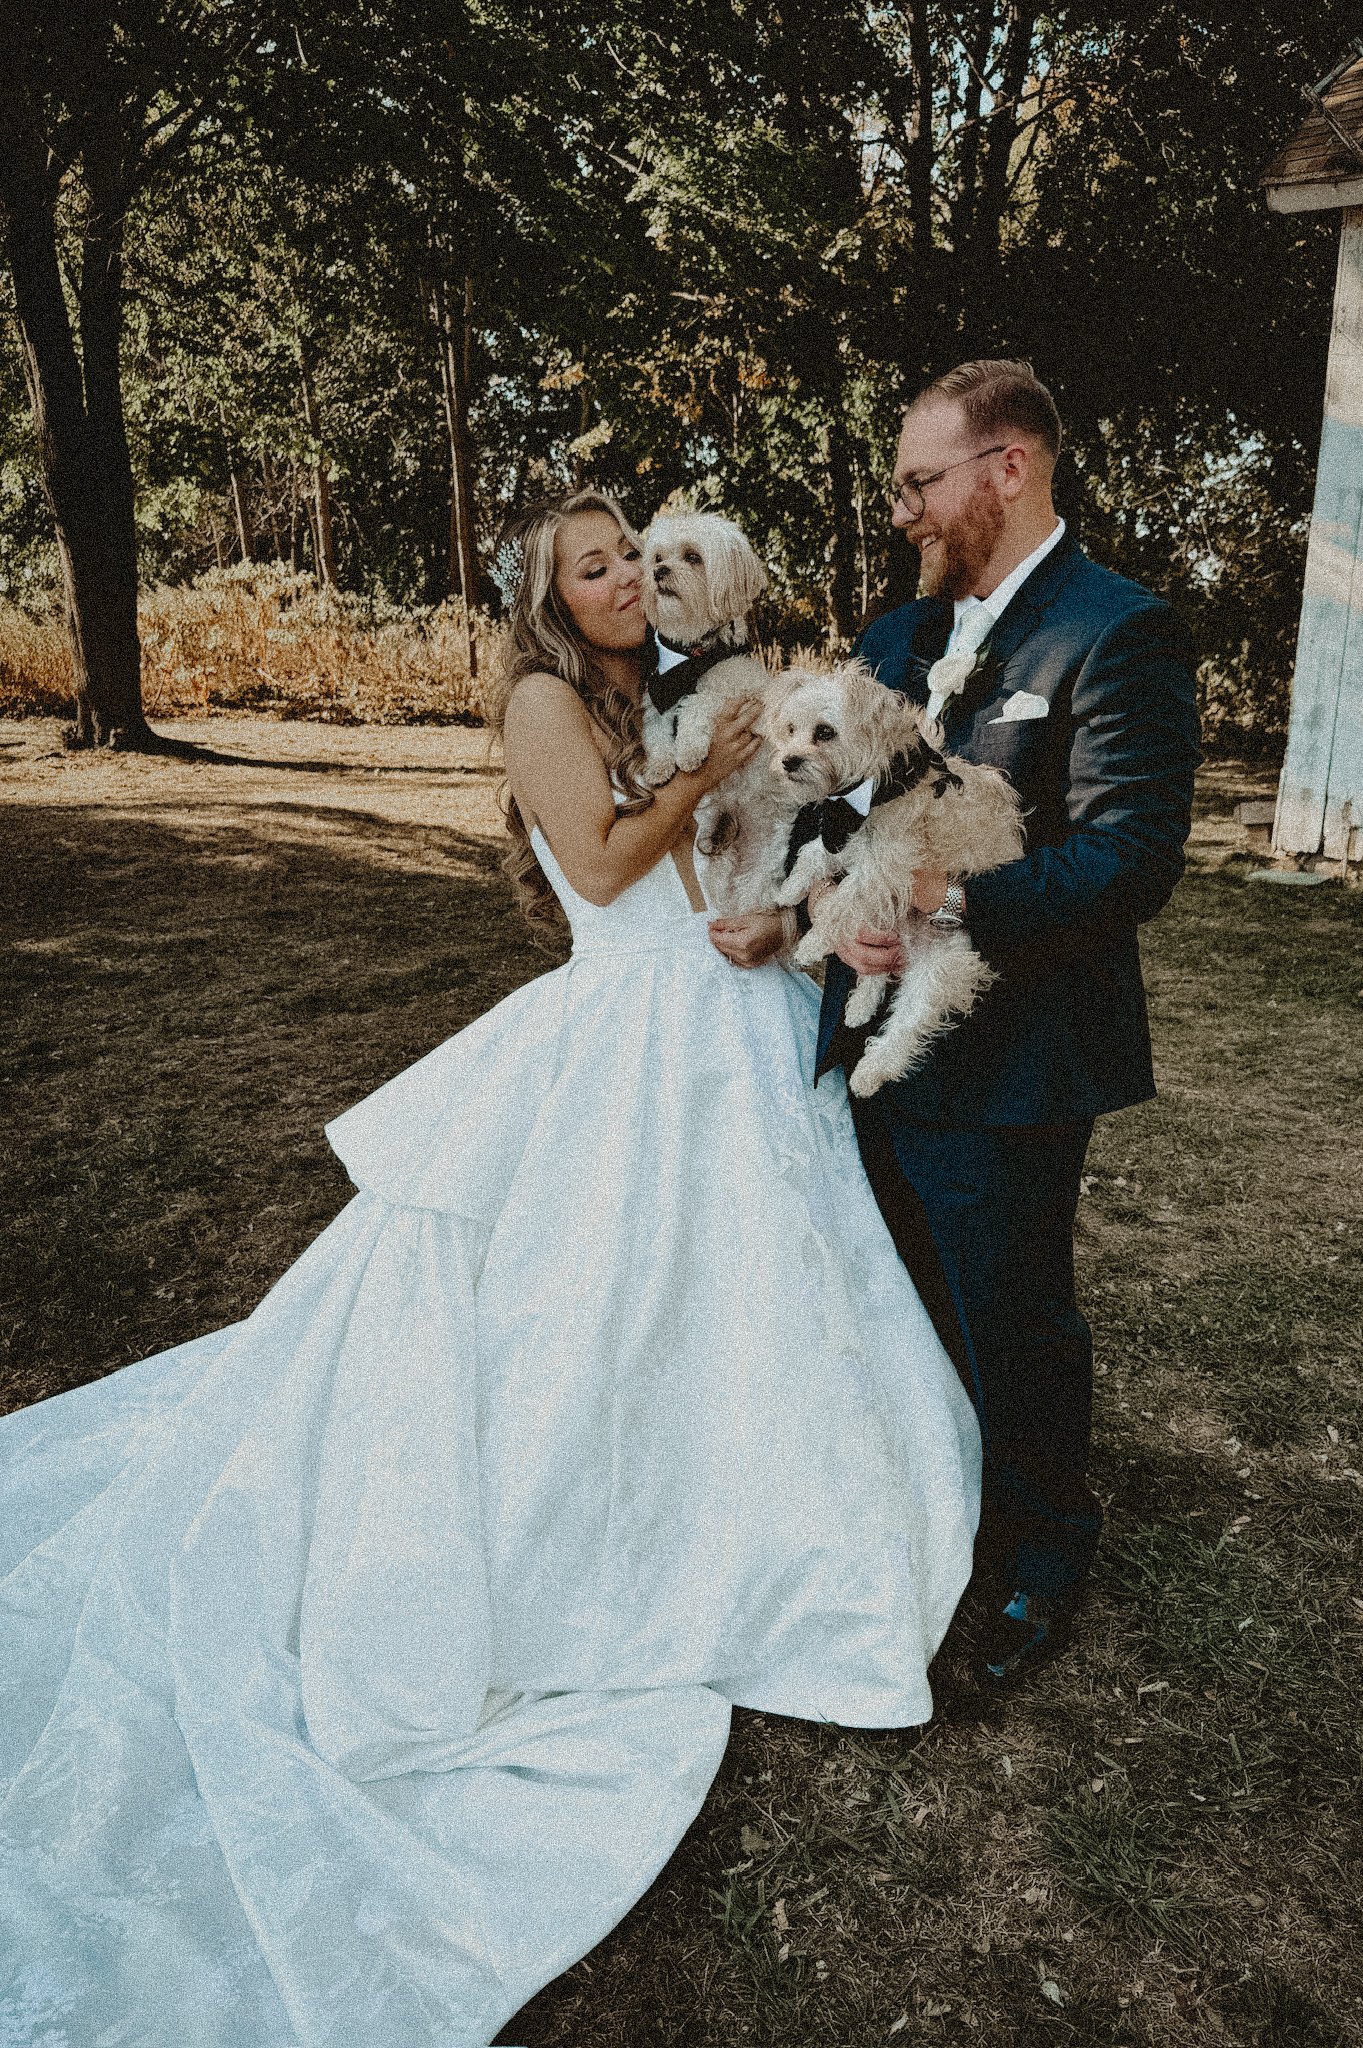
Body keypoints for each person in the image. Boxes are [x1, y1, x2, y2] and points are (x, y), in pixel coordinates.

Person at [0, 489, 982, 2048]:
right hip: (626, 1030)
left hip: (712, 1008)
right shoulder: (542, 697)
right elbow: (597, 871)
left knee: (747, 1284)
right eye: (591, 567)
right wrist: (716, 769)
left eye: (626, 564)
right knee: (583, 1297)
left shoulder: (628, 692)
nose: (616, 584)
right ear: (549, 594)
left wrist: (761, 869)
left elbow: (696, 860)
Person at [820, 361, 1199, 1686]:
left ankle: (1040, 1554)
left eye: (924, 482)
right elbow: (824, 811)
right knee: (896, 1300)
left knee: (1009, 1315)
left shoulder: (1116, 631)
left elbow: (1131, 857)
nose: (907, 511)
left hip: (1015, 1058)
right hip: (866, 1043)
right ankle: (923, 1515)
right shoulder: (890, 642)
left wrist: (944, 898)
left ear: (1009, 466)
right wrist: (839, 895)